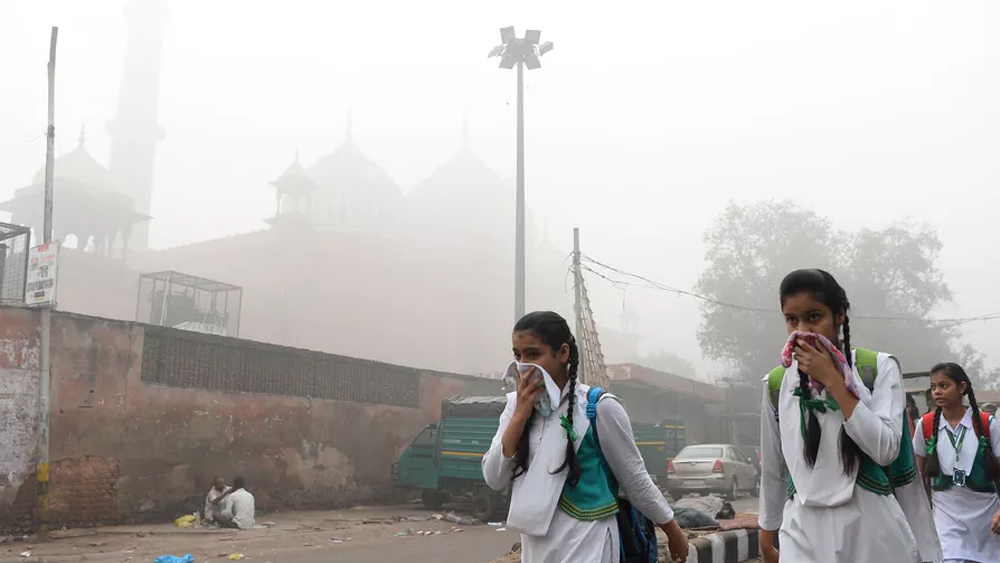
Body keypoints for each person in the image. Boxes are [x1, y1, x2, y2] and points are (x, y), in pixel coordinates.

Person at [758, 269, 940, 563]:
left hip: (872, 534)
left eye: (814, 317)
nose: (802, 329)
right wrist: (767, 532)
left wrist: (833, 379)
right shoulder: (776, 384)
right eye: (792, 319)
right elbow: (773, 469)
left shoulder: (877, 369)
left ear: (840, 314)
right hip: (801, 534)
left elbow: (886, 450)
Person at [482, 311, 688, 563]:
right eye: (518, 355)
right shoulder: (515, 408)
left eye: (534, 354)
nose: (524, 364)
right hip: (537, 548)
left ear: (563, 353)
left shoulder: (599, 407)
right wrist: (519, 417)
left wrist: (672, 529)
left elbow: (635, 478)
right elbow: (494, 477)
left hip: (590, 540)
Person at [912, 363, 1000, 563]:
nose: (937, 392)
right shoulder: (925, 426)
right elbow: (917, 477)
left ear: (961, 388)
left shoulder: (987, 424)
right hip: (946, 515)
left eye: (944, 385)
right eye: (933, 387)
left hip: (986, 517)